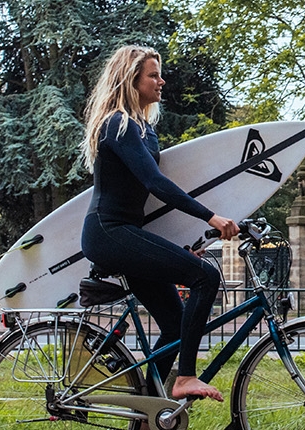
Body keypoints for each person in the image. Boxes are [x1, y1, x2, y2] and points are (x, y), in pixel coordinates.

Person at [79, 45, 238, 402]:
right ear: (131, 79)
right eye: (153, 74)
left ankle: (151, 412)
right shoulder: (117, 123)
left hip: (125, 233)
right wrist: (209, 215)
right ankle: (184, 377)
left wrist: (184, 238)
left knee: (173, 323)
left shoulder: (143, 129)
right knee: (205, 276)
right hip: (109, 232)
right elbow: (155, 184)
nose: (161, 81)